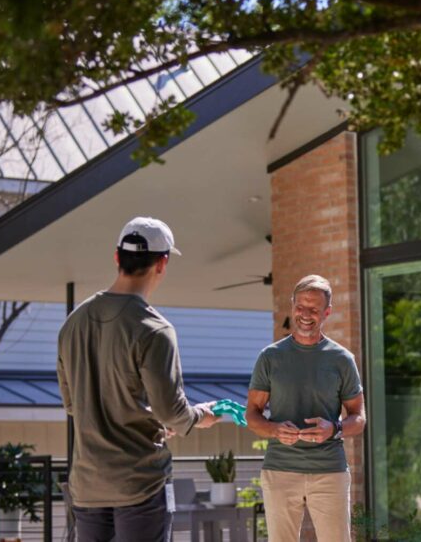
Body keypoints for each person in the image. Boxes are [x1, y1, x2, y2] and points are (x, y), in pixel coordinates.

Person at [57, 216, 219, 542]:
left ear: (117, 257)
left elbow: (74, 404)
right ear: (162, 263)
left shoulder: (72, 325)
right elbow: (172, 412)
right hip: (140, 484)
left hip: (87, 486)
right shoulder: (155, 330)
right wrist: (202, 415)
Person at [245, 275, 367, 542]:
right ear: (292, 306)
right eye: (301, 306)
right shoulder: (270, 357)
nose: (306, 315)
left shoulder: (341, 360)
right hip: (280, 470)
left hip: (330, 472)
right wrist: (274, 429)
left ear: (327, 312)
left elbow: (358, 418)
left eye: (314, 309)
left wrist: (333, 429)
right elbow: (252, 414)